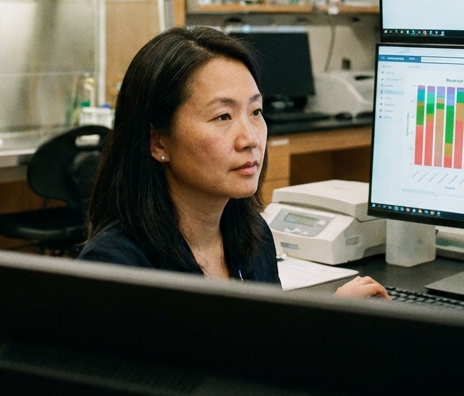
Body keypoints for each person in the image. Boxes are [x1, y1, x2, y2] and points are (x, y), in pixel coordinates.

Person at [79, 27, 389, 300]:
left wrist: (327, 321)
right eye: (223, 116)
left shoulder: (253, 236)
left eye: (255, 112)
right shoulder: (114, 266)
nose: (251, 139)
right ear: (158, 141)